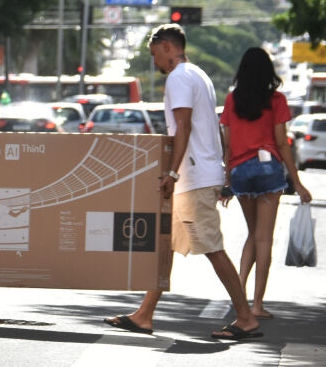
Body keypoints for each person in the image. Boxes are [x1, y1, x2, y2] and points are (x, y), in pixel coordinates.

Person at [105, 24, 262, 340]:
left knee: (212, 248)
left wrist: (172, 173)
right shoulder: (198, 74)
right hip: (199, 175)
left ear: (166, 47)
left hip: (193, 178)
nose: (154, 63)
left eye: (154, 55)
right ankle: (145, 314)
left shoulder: (178, 77)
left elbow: (183, 128)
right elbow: (208, 128)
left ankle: (245, 317)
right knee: (168, 246)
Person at [220, 47, 312, 319]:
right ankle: (257, 305)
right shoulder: (276, 100)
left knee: (251, 235)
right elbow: (282, 144)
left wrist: (227, 182)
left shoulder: (231, 100)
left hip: (240, 171)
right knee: (263, 238)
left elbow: (227, 145)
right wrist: (298, 183)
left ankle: (239, 300)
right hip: (268, 168)